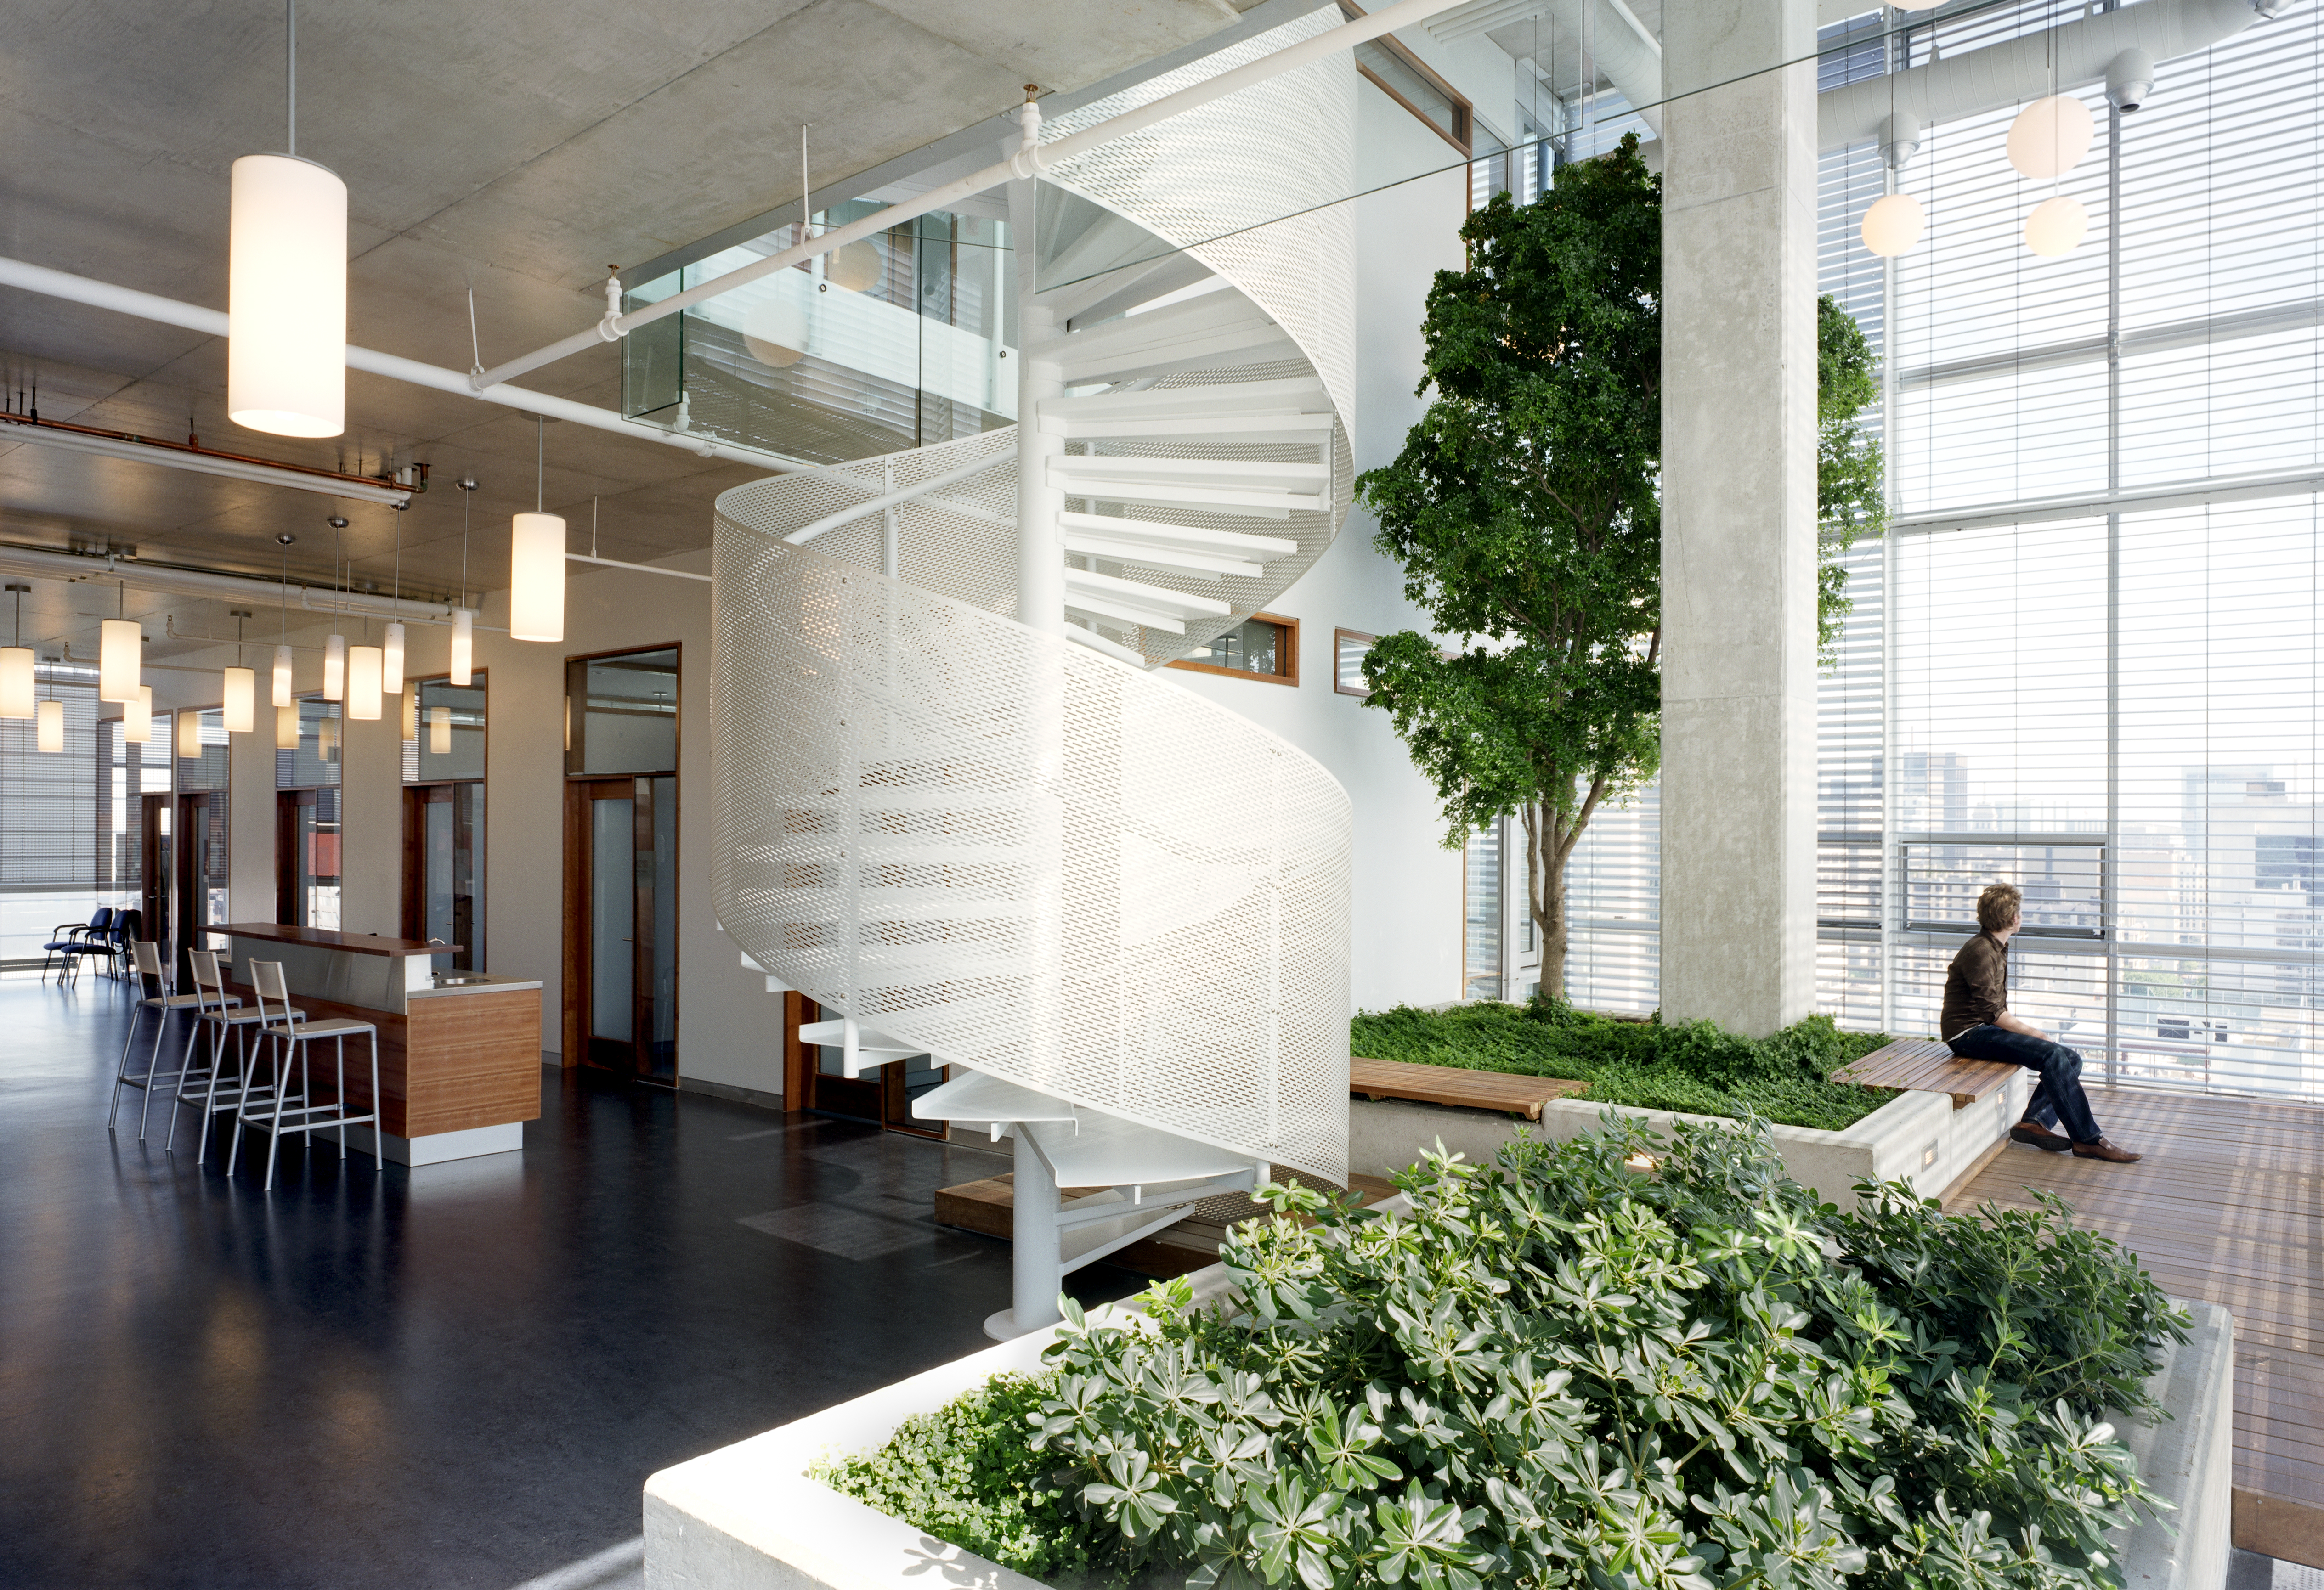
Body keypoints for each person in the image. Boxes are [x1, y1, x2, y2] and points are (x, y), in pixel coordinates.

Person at [1940, 883, 2140, 1163]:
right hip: (1968, 1034)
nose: (2021, 917)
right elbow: (1993, 1014)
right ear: (2013, 918)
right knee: (2053, 1053)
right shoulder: (1982, 952)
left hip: (1982, 1030)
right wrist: (2037, 1034)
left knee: (2071, 1059)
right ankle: (2088, 1139)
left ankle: (2034, 1122)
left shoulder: (1994, 945)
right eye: (2019, 912)